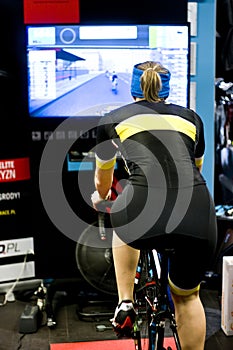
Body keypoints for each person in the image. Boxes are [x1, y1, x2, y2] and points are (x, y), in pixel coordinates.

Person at [91, 61, 217, 350]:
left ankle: (125, 302)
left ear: (133, 88)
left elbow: (103, 180)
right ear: (167, 89)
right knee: (187, 297)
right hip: (196, 211)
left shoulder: (112, 119)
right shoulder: (192, 119)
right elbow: (195, 169)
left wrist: (101, 198)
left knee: (121, 218)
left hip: (142, 209)